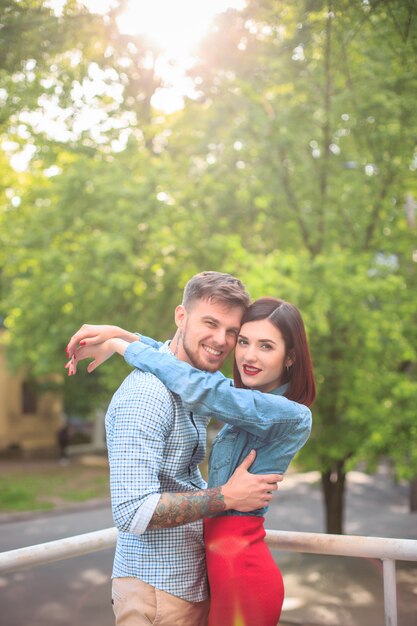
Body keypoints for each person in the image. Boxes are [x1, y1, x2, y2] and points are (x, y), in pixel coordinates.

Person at [67, 294, 315, 626]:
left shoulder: (289, 414)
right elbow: (185, 368)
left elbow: (200, 388)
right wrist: (124, 336)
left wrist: (121, 346)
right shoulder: (244, 400)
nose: (249, 355)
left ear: (290, 358)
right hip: (219, 567)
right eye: (243, 342)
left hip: (243, 569)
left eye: (266, 346)